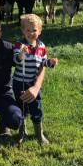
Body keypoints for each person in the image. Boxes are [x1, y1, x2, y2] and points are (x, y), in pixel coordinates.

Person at [13, 14, 58, 144]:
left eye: (34, 30)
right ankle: (22, 132)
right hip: (19, 83)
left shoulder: (42, 47)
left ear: (39, 31)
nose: (31, 33)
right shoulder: (19, 44)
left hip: (32, 83)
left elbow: (43, 63)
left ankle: (40, 135)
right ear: (23, 31)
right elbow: (15, 59)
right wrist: (21, 54)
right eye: (27, 30)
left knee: (36, 108)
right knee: (21, 107)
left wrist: (51, 62)